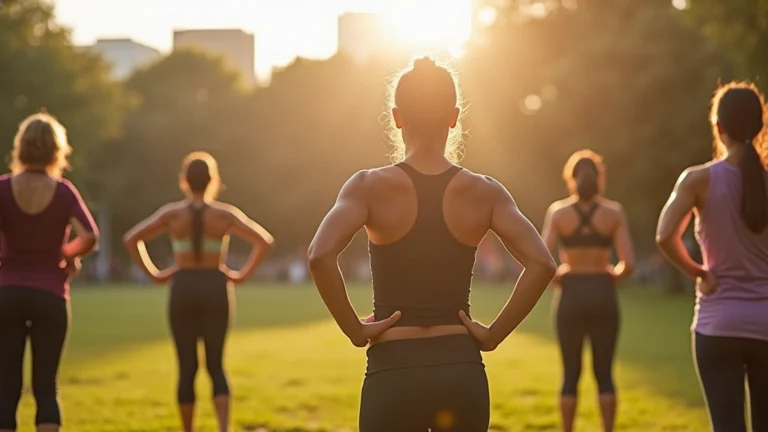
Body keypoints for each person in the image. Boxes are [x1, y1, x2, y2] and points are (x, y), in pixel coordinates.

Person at [307, 56, 556, 432]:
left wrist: (355, 330)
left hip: (393, 372)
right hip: (460, 370)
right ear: (454, 117)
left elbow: (319, 255)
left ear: (397, 117)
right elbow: (542, 264)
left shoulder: (367, 186)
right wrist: (492, 335)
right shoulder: (484, 192)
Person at [123, 151, 274, 432]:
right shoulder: (224, 214)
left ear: (184, 181)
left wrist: (155, 274)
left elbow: (132, 239)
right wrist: (241, 275)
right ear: (213, 180)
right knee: (216, 364)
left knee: (186, 367)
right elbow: (263, 241)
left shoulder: (172, 214)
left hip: (183, 287)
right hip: (215, 286)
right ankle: (223, 428)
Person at [656, 82, 768, 432]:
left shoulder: (698, 180)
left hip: (718, 325)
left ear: (718, 128)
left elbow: (663, 235)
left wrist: (699, 272)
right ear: (760, 127)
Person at [0, 112, 99, 432]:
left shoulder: (2, 188)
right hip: (50, 295)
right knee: (46, 386)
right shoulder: (63, 191)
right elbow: (90, 235)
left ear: (21, 148)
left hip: (7, 294)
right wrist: (65, 254)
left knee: (5, 389)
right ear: (57, 150)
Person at [541, 150, 635, 432]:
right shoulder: (613, 212)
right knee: (604, 373)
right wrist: (610, 276)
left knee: (570, 373)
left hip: (570, 294)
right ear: (599, 178)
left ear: (571, 179)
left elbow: (543, 262)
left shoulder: (558, 212)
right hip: (603, 292)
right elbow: (628, 263)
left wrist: (560, 277)